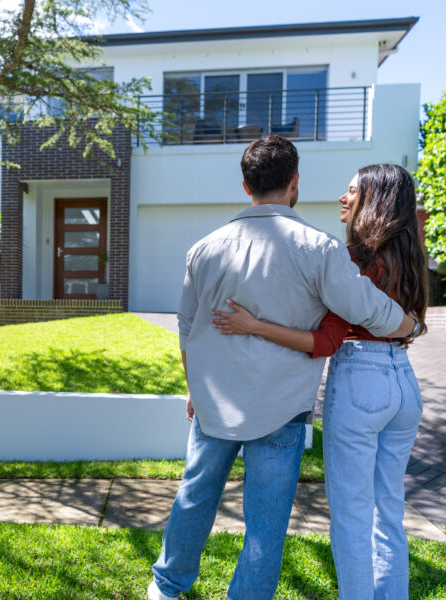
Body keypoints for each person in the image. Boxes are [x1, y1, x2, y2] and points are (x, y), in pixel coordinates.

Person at [147, 137, 416, 600]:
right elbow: (365, 306)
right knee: (265, 525)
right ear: (294, 183)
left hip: (215, 405)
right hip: (282, 409)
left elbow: (187, 327)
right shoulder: (320, 248)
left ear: (245, 185)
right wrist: (406, 323)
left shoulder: (203, 249)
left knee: (194, 497)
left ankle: (165, 587)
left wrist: (193, 388)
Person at [210, 163, 428, 600]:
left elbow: (326, 341)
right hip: (404, 384)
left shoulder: (352, 262)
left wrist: (255, 326)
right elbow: (412, 325)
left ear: (375, 201)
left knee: (350, 515)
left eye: (352, 192)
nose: (342, 198)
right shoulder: (410, 259)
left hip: (361, 379)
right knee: (388, 512)